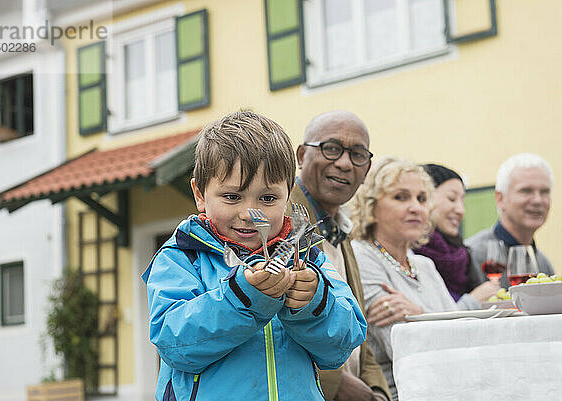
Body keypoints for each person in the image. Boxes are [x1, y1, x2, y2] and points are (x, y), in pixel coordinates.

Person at [141, 111, 368, 401]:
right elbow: (175, 345)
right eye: (232, 196)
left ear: (288, 194)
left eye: (268, 198)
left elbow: (341, 347)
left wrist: (313, 303)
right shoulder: (181, 257)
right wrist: (241, 298)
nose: (250, 214)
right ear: (200, 194)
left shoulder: (307, 257)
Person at [293, 110, 392, 401]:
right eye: (331, 148)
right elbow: (271, 327)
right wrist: (338, 385)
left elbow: (361, 336)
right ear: (301, 156)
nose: (345, 163)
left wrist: (377, 392)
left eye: (357, 154)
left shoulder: (340, 229)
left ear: (367, 168)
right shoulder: (282, 221)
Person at [349, 157, 464, 400]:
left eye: (422, 199)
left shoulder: (424, 265)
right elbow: (407, 350)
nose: (416, 207)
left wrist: (418, 314)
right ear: (372, 206)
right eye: (401, 197)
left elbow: (463, 334)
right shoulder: (361, 257)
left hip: (449, 388)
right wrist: (443, 322)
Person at [414, 164, 498, 308]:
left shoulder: (463, 256)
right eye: (452, 199)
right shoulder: (409, 256)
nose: (460, 210)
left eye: (462, 201)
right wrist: (473, 301)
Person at [466, 153, 555, 288]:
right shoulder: (472, 256)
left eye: (544, 191)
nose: (538, 200)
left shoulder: (543, 264)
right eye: (526, 191)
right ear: (500, 198)